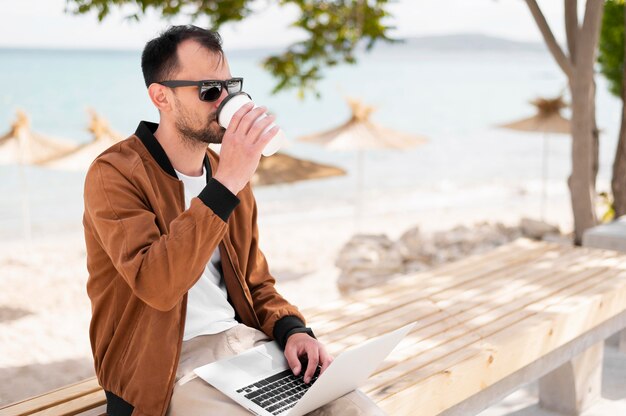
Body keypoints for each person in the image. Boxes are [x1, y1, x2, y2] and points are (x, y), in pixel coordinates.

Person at [83, 25, 385, 416]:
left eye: (231, 87)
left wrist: (293, 331)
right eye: (210, 90)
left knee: (358, 410)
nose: (225, 101)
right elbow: (156, 284)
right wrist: (225, 185)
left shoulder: (227, 173)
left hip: (245, 346)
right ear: (162, 97)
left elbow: (256, 281)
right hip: (165, 366)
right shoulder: (115, 174)